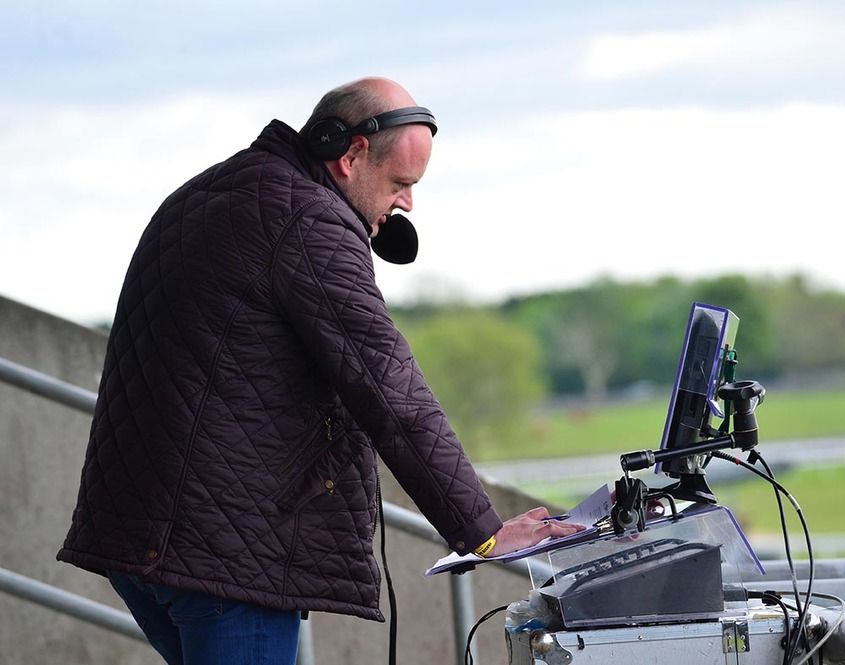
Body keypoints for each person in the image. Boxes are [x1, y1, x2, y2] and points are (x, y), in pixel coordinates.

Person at [57, 77, 582, 665]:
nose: (406, 202)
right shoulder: (307, 221)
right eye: (401, 183)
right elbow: (388, 387)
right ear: (351, 153)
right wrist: (482, 530)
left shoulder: (214, 192)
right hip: (223, 557)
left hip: (151, 540)